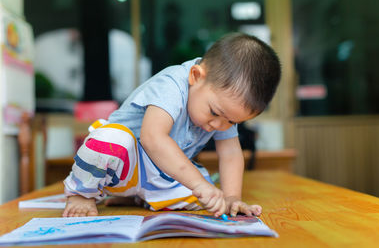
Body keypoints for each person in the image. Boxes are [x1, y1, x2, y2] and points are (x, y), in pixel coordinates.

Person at [63, 32, 281, 218]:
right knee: (109, 140)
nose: (218, 125)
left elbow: (231, 153)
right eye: (214, 112)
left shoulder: (223, 105)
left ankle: (136, 197)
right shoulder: (172, 84)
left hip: (162, 174)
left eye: (232, 121)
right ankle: (81, 193)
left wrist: (232, 197)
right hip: (123, 164)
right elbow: (152, 139)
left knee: (210, 197)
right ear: (196, 76)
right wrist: (198, 184)